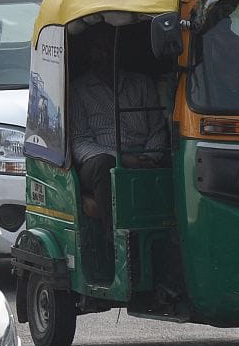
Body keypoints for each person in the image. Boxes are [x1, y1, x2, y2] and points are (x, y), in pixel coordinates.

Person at [69, 27, 169, 280]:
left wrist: (149, 158)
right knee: (106, 166)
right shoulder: (80, 89)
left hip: (144, 157)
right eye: (97, 49)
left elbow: (158, 128)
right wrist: (121, 158)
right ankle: (114, 244)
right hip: (100, 162)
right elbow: (80, 141)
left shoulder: (141, 83)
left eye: (107, 48)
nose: (102, 55)